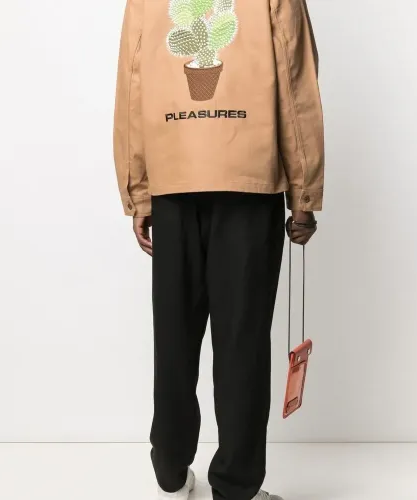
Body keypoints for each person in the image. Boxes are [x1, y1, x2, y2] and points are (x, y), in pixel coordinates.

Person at [113, 0, 324, 498]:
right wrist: (304, 193)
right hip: (250, 180)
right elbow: (295, 82)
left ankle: (170, 475)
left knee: (174, 335)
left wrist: (138, 190)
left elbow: (133, 80)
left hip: (171, 179)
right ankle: (235, 488)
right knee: (242, 342)